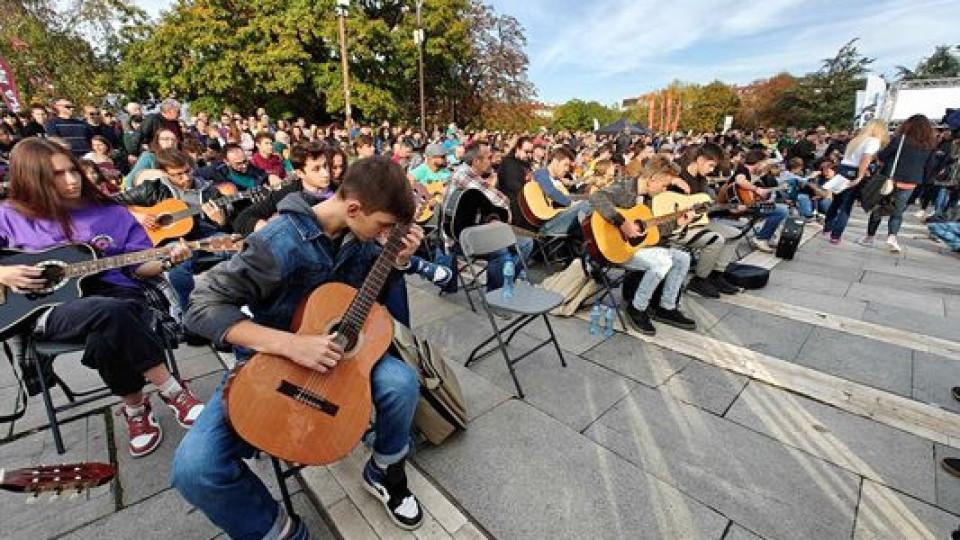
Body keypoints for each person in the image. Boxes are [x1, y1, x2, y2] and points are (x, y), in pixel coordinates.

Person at [172, 156, 427, 537]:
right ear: (354, 208)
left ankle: (384, 472)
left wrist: (398, 260)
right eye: (384, 226)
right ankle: (280, 531)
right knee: (194, 469)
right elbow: (200, 308)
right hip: (271, 362)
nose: (383, 235)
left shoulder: (359, 236)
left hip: (339, 356)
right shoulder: (277, 242)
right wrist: (291, 345)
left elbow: (368, 303)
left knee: (401, 383)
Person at [0, 138, 202, 457]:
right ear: (30, 178)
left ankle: (135, 410)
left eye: (73, 170)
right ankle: (173, 390)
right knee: (109, 313)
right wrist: (2, 274)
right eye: (57, 175)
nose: (71, 180)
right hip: (47, 309)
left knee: (105, 327)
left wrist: (166, 260)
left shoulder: (110, 212)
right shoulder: (9, 215)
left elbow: (139, 266)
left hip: (117, 293)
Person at [116, 148, 236, 312]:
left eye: (188, 171)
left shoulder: (208, 190)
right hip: (173, 243)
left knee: (242, 247)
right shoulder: (153, 189)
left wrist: (220, 220)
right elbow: (112, 203)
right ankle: (190, 314)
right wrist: (138, 216)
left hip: (204, 238)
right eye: (178, 174)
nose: (186, 178)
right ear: (165, 174)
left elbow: (225, 223)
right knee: (178, 272)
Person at [589, 155, 696, 336]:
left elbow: (652, 233)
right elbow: (596, 197)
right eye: (664, 185)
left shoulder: (647, 199)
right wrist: (620, 221)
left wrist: (678, 223)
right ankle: (637, 308)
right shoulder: (624, 187)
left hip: (635, 248)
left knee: (683, 258)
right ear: (652, 180)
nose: (665, 190)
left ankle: (667, 307)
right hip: (610, 248)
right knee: (662, 262)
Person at [860, 114, 939, 253]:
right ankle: (892, 237)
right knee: (898, 211)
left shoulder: (900, 140)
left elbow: (884, 156)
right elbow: (930, 166)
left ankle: (870, 236)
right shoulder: (929, 145)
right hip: (910, 182)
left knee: (879, 207)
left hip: (890, 179)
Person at [674, 143, 741, 296]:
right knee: (715, 239)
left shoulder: (702, 180)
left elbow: (707, 209)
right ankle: (699, 280)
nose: (712, 170)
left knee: (735, 234)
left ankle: (716, 274)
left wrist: (727, 209)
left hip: (698, 221)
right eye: (711, 165)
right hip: (679, 225)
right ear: (700, 159)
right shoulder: (678, 176)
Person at [821, 119, 889, 244]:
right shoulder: (874, 141)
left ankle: (827, 229)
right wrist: (860, 176)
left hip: (843, 169)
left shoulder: (856, 140)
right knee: (846, 206)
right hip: (854, 171)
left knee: (836, 202)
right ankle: (836, 236)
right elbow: (865, 158)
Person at [730, 149, 789, 252]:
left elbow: (755, 195)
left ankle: (767, 236)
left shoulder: (756, 175)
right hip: (743, 206)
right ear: (758, 162)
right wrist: (756, 189)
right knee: (781, 211)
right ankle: (761, 238)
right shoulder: (743, 170)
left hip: (753, 204)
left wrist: (763, 198)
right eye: (764, 163)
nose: (764, 166)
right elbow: (740, 181)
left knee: (782, 208)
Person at [533, 146, 592, 236]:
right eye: (565, 165)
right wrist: (571, 203)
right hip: (548, 224)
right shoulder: (541, 173)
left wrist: (589, 197)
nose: (567, 169)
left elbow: (566, 196)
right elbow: (550, 192)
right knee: (588, 205)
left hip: (560, 218)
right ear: (555, 162)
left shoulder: (557, 181)